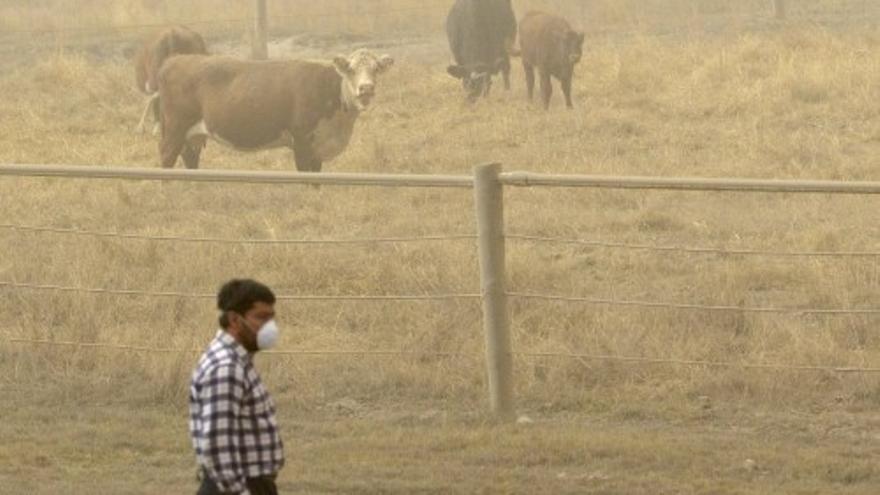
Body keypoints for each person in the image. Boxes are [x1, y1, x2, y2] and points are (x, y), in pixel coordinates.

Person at [190, 279, 284, 495]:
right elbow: (217, 444)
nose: (269, 327)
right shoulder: (226, 369)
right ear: (234, 319)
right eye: (261, 317)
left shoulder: (236, 361)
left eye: (271, 318)